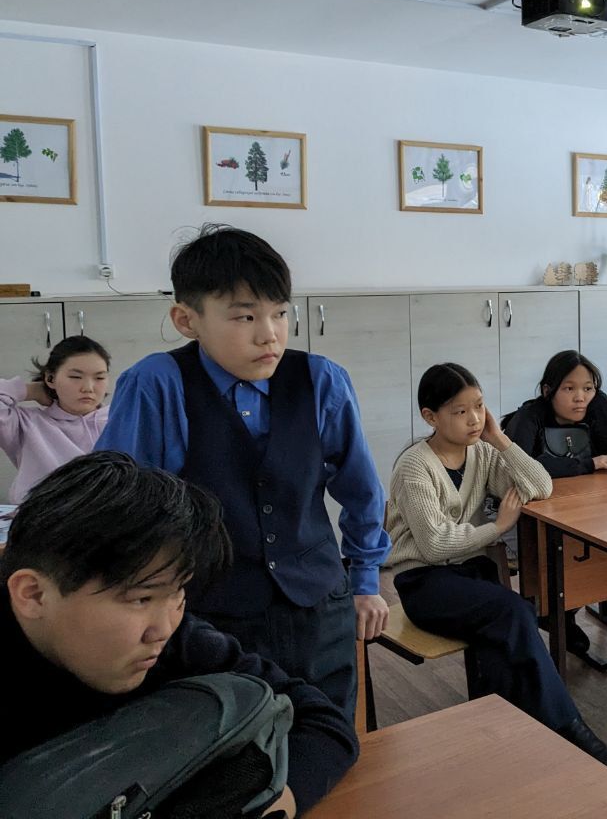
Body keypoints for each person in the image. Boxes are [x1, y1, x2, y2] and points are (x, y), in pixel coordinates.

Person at [96, 224, 390, 722]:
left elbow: (362, 490)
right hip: (209, 614)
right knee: (233, 744)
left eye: (280, 313)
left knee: (327, 731)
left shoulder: (321, 380)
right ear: (186, 320)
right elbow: (121, 509)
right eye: (245, 316)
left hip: (319, 605)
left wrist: (365, 579)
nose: (269, 333)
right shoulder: (157, 383)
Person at [0, 452, 357, 817]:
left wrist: (275, 803)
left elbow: (323, 722)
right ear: (34, 594)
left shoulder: (178, 641)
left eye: (179, 592)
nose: (163, 629)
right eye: (141, 599)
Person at [386, 363, 607, 769]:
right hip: (424, 581)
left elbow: (540, 486)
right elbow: (435, 545)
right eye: (460, 411)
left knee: (504, 629)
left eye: (479, 406)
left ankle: (504, 735)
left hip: (471, 573)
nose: (474, 418)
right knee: (513, 612)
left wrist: (500, 438)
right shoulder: (414, 466)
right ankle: (568, 728)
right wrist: (497, 528)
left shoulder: (482, 451)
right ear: (430, 417)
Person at [503, 350, 607, 655]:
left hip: (578, 510)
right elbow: (520, 468)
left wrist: (600, 400)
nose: (580, 397)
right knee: (561, 552)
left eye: (588, 388)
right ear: (548, 390)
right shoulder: (530, 416)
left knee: (592, 546)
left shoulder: (592, 411)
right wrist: (587, 464)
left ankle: (562, 614)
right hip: (524, 516)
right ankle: (554, 614)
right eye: (569, 388)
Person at [0, 336, 111, 503]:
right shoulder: (26, 423)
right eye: (75, 377)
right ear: (50, 378)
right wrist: (30, 390)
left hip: (110, 516)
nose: (88, 388)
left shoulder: (121, 420)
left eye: (99, 378)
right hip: (41, 515)